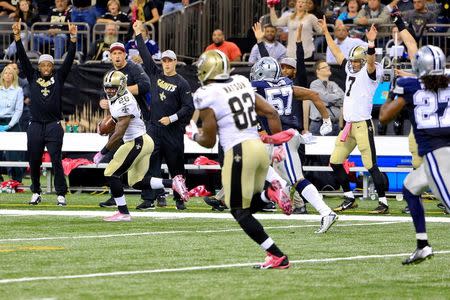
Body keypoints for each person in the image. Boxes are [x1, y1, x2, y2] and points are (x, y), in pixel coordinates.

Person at [187, 49, 291, 269]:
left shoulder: (206, 94)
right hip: (259, 148)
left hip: (238, 151)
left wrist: (193, 135)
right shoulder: (242, 81)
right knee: (246, 205)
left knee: (237, 210)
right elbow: (271, 112)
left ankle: (277, 256)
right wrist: (278, 146)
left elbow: (208, 140)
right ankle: (268, 194)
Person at [379, 11, 449, 264]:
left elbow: (384, 117)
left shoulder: (409, 86)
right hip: (439, 151)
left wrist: (396, 89)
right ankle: (423, 244)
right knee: (410, 188)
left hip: (436, 154)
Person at [250, 56, 338, 234]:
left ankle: (326, 212)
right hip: (281, 137)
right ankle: (279, 186)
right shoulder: (286, 84)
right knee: (255, 163)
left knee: (297, 179)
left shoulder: (258, 87)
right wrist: (326, 119)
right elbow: (313, 94)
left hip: (283, 138)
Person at [93, 70, 189, 221]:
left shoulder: (124, 102)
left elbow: (118, 133)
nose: (110, 90)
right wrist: (109, 122)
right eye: (108, 87)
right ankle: (173, 183)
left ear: (122, 86)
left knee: (111, 173)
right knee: (136, 182)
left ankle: (123, 213)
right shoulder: (119, 96)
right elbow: (117, 120)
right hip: (143, 141)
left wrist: (103, 152)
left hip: (136, 142)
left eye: (113, 87)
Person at [318, 16, 388, 214]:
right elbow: (337, 51)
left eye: (358, 61)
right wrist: (325, 32)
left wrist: (371, 42)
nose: (354, 64)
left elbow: (372, 62)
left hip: (362, 124)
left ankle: (384, 202)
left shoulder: (370, 71)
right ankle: (349, 197)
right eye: (354, 61)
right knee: (335, 162)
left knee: (370, 165)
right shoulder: (350, 67)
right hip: (348, 126)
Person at [13, 19, 77, 206]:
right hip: (35, 125)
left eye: (49, 65)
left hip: (54, 125)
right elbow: (23, 58)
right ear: (39, 67)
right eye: (43, 65)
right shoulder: (32, 77)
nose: (47, 68)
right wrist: (17, 37)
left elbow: (69, 59)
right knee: (33, 160)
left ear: (52, 67)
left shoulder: (59, 76)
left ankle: (61, 194)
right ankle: (36, 192)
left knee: (56, 160)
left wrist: (72, 39)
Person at [132, 20, 194, 210]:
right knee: (150, 163)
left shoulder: (182, 82)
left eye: (169, 61)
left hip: (173, 130)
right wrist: (137, 35)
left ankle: (179, 198)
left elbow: (188, 107)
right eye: (164, 60)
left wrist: (172, 118)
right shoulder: (155, 74)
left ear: (175, 62)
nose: (166, 64)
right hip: (154, 127)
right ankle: (150, 199)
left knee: (176, 166)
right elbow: (144, 54)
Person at [97, 41, 151, 208]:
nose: (117, 56)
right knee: (124, 167)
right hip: (121, 121)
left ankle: (149, 199)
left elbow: (146, 85)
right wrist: (104, 101)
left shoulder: (134, 69)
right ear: (110, 56)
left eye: (120, 53)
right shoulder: (110, 75)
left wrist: (121, 90)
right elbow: (103, 94)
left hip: (136, 122)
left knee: (125, 166)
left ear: (125, 54)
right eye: (114, 53)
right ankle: (116, 195)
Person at [0, 65, 24, 182]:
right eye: (6, 73)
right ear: (2, 75)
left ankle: (16, 180)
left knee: (13, 154)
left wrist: (9, 126)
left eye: (10, 73)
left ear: (14, 76)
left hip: (12, 123)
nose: (8, 75)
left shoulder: (18, 90)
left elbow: (19, 110)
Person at [308, 60, 344, 136]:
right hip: (319, 124)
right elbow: (325, 98)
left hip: (335, 125)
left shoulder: (333, 84)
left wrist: (330, 101)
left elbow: (343, 99)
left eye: (328, 66)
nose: (328, 68)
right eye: (325, 67)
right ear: (318, 71)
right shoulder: (314, 84)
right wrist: (335, 100)